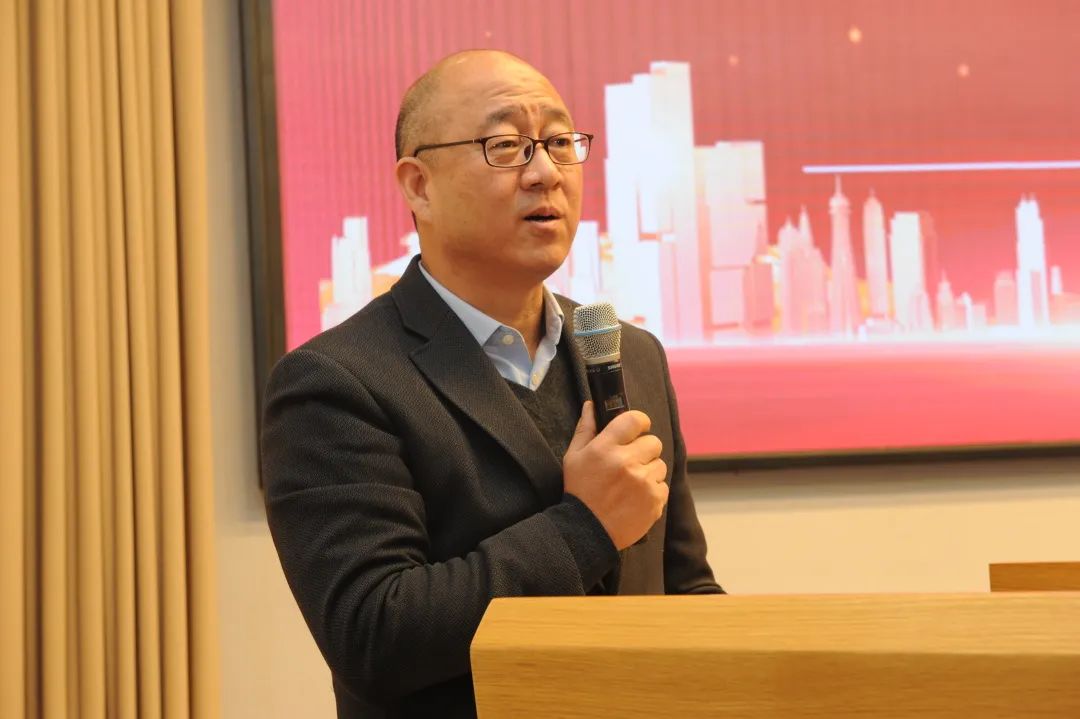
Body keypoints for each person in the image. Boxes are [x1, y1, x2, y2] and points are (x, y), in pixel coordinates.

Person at [261, 49, 723, 719]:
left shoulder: (633, 355)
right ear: (418, 185)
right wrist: (586, 526)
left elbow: (685, 591)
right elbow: (374, 635)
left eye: (560, 143)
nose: (545, 172)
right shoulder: (336, 383)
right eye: (506, 146)